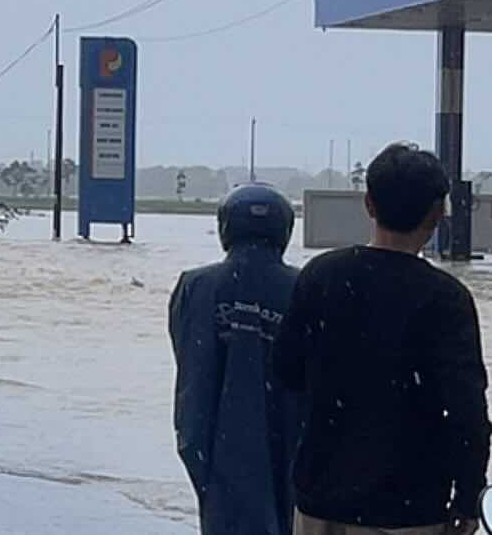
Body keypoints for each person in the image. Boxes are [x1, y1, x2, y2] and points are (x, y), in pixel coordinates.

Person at [274, 142, 489, 535]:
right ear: (438, 214)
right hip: (412, 506)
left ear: (369, 204)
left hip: (323, 499)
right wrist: (469, 495)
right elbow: (466, 410)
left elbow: (287, 371)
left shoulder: (321, 276)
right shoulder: (446, 299)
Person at [169, 183, 302, 535]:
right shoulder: (304, 286)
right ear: (284, 230)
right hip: (291, 446)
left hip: (215, 442)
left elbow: (191, 371)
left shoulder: (196, 286)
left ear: (226, 227)